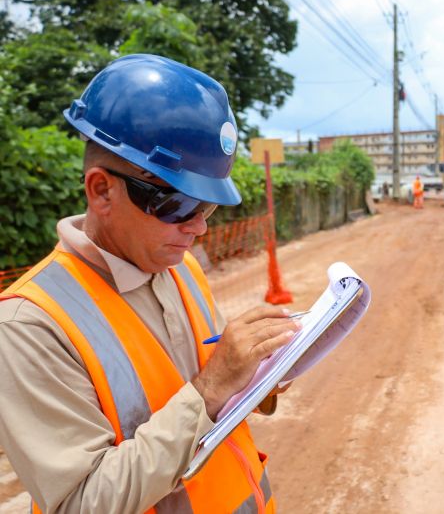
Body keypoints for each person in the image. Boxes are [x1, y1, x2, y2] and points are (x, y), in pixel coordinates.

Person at [0, 55, 294, 512]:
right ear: (101, 191)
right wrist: (211, 387)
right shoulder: (29, 325)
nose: (198, 228)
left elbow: (207, 388)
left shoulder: (181, 268)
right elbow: (82, 501)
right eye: (178, 205)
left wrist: (256, 378)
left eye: (208, 208)